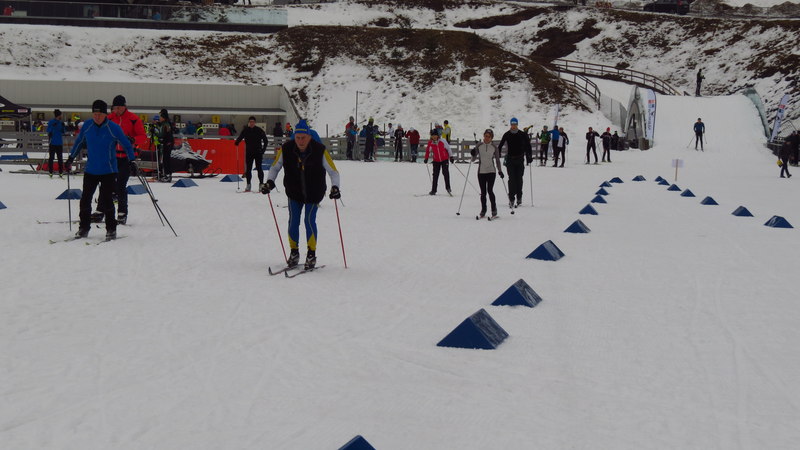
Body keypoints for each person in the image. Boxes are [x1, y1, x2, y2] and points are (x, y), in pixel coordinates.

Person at [260, 119, 340, 270]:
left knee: (309, 221)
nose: (301, 141)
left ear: (309, 137)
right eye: (298, 138)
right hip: (294, 192)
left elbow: (333, 172)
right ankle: (294, 252)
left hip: (314, 192)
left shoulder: (320, 150)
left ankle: (311, 254)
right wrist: (270, 182)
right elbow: (275, 167)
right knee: (293, 222)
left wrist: (335, 187)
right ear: (294, 137)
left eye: (303, 138)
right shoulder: (286, 149)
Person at [65, 100, 136, 240]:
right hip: (91, 169)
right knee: (85, 200)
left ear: (105, 114)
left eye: (100, 114)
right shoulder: (87, 125)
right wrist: (71, 158)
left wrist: (131, 160)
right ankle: (83, 228)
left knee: (107, 200)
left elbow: (126, 145)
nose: (97, 117)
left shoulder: (113, 128)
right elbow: (79, 142)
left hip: (108, 170)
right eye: (95, 114)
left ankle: (111, 229)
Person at [106, 95, 147, 225]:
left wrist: (133, 139)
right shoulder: (109, 118)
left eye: (119, 107)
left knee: (121, 185)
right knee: (107, 184)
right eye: (115, 108)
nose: (116, 110)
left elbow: (143, 137)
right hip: (112, 156)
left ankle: (122, 213)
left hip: (126, 157)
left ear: (124, 106)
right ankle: (103, 210)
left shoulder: (133, 119)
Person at [498, 117, 533, 208]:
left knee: (519, 179)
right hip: (510, 159)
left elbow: (528, 145)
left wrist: (529, 156)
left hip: (520, 159)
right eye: (512, 124)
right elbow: (501, 144)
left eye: (515, 124)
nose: (513, 126)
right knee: (511, 179)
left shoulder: (522, 134)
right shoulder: (507, 134)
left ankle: (519, 196)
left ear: (517, 125)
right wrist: (498, 153)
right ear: (510, 125)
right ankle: (511, 198)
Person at [470, 128, 503, 218]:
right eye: (485, 136)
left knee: (490, 191)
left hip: (491, 171)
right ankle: (483, 210)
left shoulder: (494, 147)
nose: (487, 138)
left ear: (491, 138)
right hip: (481, 172)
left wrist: (500, 171)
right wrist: (473, 153)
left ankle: (494, 209)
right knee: (483, 192)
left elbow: (497, 160)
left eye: (489, 137)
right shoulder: (479, 145)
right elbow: (473, 159)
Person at [235, 116, 268, 192]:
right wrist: (237, 142)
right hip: (249, 152)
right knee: (248, 169)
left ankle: (261, 184)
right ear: (248, 123)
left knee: (259, 168)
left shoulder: (259, 130)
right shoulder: (245, 130)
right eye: (250, 122)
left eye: (253, 122)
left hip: (258, 152)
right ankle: (248, 184)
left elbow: (265, 141)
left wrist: (263, 150)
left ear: (255, 122)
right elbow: (240, 137)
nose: (251, 123)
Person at [424, 129, 453, 195]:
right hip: (436, 160)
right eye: (433, 135)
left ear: (438, 135)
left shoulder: (443, 141)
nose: (434, 137)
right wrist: (426, 158)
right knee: (435, 175)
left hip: (444, 159)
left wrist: (451, 157)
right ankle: (433, 190)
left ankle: (448, 188)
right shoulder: (430, 143)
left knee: (445, 173)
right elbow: (428, 150)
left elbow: (448, 149)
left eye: (435, 135)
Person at [46, 109, 65, 178]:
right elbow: (48, 130)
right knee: (51, 158)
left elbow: (63, 132)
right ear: (58, 115)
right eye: (60, 115)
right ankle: (50, 171)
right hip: (52, 142)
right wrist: (52, 126)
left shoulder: (61, 122)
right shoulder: (51, 122)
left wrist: (63, 127)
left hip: (59, 143)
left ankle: (61, 172)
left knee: (60, 158)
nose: (61, 116)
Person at [158, 109, 174, 182]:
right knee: (165, 159)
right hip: (166, 142)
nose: (159, 118)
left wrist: (165, 141)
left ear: (163, 117)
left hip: (167, 143)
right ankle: (166, 174)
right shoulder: (164, 123)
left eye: (160, 116)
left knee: (166, 159)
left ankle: (168, 175)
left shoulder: (166, 124)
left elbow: (168, 134)